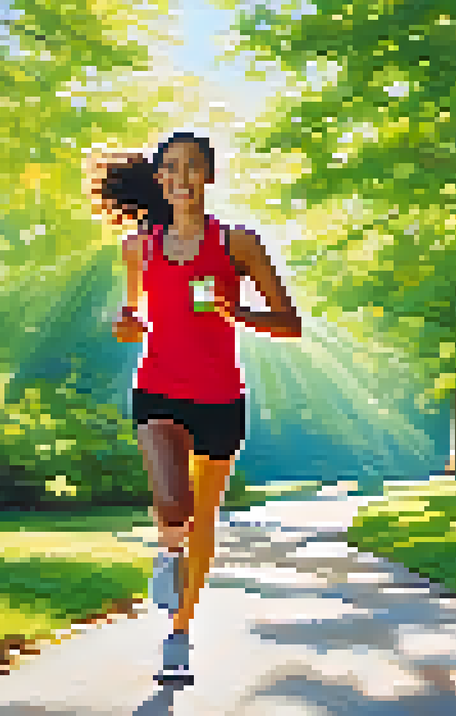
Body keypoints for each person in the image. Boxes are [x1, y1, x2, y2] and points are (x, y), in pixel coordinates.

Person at [87, 132, 302, 686]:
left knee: (202, 516)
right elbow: (129, 315)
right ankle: (169, 548)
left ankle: (179, 630)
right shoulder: (143, 247)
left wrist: (240, 313)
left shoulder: (238, 244)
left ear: (209, 177)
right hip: (158, 388)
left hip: (220, 397)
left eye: (192, 167)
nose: (181, 177)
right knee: (172, 501)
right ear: (160, 180)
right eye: (171, 168)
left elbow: (291, 323)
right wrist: (124, 325)